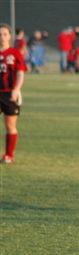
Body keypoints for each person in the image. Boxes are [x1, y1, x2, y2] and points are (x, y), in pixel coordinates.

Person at [0, 24, 26, 164]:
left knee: (10, 124)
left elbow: (20, 73)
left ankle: (9, 155)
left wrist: (16, 89)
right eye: (0, 34)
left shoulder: (15, 53)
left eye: (5, 34)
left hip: (10, 94)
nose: (2, 37)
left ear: (10, 36)